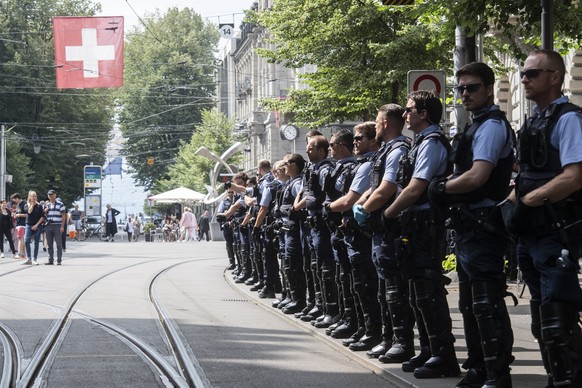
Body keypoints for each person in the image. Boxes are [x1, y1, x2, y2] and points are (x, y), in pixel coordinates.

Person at [429, 62, 515, 387]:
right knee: (469, 304)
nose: (465, 93)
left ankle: (497, 373)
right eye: (461, 88)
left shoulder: (491, 125)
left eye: (473, 87)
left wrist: (440, 188)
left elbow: (479, 175)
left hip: (483, 226)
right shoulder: (474, 125)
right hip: (468, 226)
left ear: (489, 89)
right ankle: (479, 368)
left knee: (485, 303)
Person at [503, 49, 582, 388]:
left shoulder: (568, 119)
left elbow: (574, 177)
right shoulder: (533, 121)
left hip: (556, 230)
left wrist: (529, 202)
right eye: (523, 73)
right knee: (541, 318)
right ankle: (557, 377)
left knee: (557, 318)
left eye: (533, 73)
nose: (524, 79)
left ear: (554, 76)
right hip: (531, 234)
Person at [382, 91, 460, 379]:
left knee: (428, 292)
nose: (405, 115)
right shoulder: (420, 143)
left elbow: (417, 187)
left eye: (410, 109)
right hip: (415, 222)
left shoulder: (431, 142)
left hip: (426, 222)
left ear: (424, 113)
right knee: (417, 293)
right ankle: (429, 350)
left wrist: (388, 213)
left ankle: (443, 355)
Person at [352, 104, 411, 361]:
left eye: (376, 122)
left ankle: (401, 342)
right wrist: (361, 204)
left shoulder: (398, 150)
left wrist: (365, 208)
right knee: (384, 288)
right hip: (380, 230)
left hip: (391, 228)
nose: (375, 126)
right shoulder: (386, 150)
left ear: (386, 124)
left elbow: (387, 188)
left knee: (394, 290)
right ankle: (388, 339)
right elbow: (375, 186)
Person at [327, 122, 382, 347]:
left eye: (359, 138)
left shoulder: (369, 164)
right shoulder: (362, 164)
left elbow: (352, 199)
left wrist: (329, 208)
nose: (355, 143)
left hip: (363, 232)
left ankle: (373, 331)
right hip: (353, 231)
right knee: (354, 281)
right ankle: (362, 326)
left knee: (366, 282)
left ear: (372, 140)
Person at [44, 190, 67, 265]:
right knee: (49, 244)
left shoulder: (60, 204)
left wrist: (62, 226)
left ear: (55, 195)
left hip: (57, 225)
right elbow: (45, 215)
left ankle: (59, 260)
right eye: (49, 194)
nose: (50, 196)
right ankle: (50, 259)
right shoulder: (47, 204)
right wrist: (45, 211)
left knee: (58, 244)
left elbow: (64, 215)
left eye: (51, 194)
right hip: (49, 225)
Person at [22, 191, 45, 265]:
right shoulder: (26, 205)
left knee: (36, 242)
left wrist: (37, 225)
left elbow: (42, 217)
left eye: (35, 196)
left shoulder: (39, 206)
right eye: (32, 196)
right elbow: (29, 212)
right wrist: (32, 204)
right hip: (29, 225)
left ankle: (35, 258)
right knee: (26, 241)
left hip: (38, 226)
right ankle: (29, 258)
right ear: (29, 197)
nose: (34, 197)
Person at [217, 190, 236, 269]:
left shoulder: (237, 199)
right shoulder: (224, 202)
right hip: (227, 225)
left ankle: (241, 264)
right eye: (229, 192)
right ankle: (232, 262)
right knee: (229, 244)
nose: (231, 193)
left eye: (232, 192)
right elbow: (219, 213)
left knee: (238, 245)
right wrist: (225, 214)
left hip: (236, 224)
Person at [10, 193, 27, 259]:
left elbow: (27, 214)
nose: (14, 201)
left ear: (17, 198)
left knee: (20, 238)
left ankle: (20, 253)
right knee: (21, 238)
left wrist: (18, 215)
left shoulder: (24, 203)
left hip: (22, 224)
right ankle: (23, 254)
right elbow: (18, 213)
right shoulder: (18, 205)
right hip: (19, 223)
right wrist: (15, 214)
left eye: (14, 200)